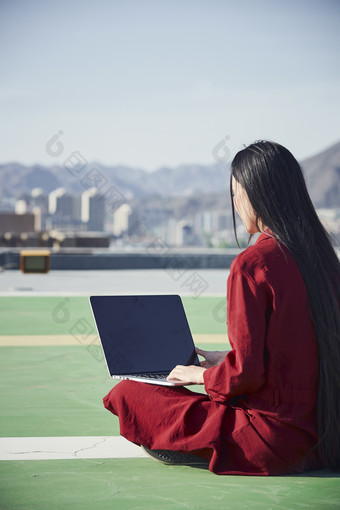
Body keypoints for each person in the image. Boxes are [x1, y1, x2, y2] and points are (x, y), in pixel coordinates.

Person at [103, 141, 340, 475]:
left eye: (235, 193)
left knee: (131, 392)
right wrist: (223, 360)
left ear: (254, 194)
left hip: (273, 440)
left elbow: (246, 375)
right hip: (326, 435)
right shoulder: (326, 261)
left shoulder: (252, 265)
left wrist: (202, 375)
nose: (235, 203)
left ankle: (199, 445)